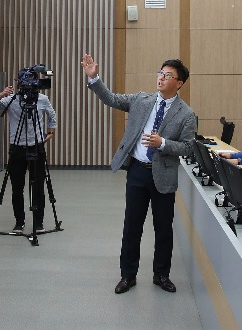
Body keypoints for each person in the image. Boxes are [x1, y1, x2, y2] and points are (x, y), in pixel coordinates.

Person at [81, 54, 197, 295]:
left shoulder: (186, 114)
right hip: (137, 172)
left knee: (163, 228)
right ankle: (128, 275)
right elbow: (111, 99)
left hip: (163, 176)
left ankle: (161, 274)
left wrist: (163, 142)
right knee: (132, 226)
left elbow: (187, 147)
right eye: (160, 73)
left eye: (168, 75)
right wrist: (94, 79)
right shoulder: (142, 99)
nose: (161, 78)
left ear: (179, 83)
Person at [0, 83, 58, 233]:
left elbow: (52, 115)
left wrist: (51, 132)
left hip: (36, 147)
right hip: (17, 149)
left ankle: (38, 223)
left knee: (38, 187)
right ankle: (19, 222)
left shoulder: (42, 99)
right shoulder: (12, 99)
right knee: (17, 188)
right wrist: (3, 94)